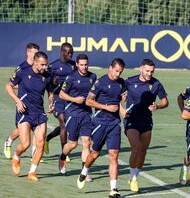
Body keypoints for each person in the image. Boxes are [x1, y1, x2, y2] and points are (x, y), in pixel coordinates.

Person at [76, 58, 126, 198]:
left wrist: (123, 102)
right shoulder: (100, 83)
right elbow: (89, 101)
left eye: (120, 72)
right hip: (99, 123)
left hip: (115, 124)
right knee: (95, 153)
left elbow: (121, 98)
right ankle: (85, 170)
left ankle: (113, 189)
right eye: (116, 71)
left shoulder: (121, 83)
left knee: (114, 156)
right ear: (110, 68)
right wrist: (106, 107)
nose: (118, 74)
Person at [5, 51, 54, 181]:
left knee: (40, 143)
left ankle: (32, 172)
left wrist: (51, 103)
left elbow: (50, 92)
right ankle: (16, 156)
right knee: (25, 144)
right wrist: (18, 101)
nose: (45, 67)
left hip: (39, 113)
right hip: (24, 112)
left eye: (46, 64)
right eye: (42, 64)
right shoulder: (23, 71)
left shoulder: (47, 76)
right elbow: (9, 86)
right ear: (35, 62)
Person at [124, 59, 168, 193]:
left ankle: (134, 177)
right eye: (147, 71)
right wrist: (122, 98)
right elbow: (117, 93)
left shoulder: (156, 84)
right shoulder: (129, 81)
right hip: (131, 120)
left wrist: (157, 106)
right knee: (136, 149)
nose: (149, 74)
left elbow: (165, 102)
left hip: (147, 122)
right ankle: (133, 177)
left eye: (152, 71)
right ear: (140, 69)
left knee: (143, 152)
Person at [58, 54, 97, 183]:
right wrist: (74, 99)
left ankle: (84, 172)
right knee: (73, 144)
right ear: (77, 65)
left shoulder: (93, 77)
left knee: (87, 143)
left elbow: (95, 94)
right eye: (81, 65)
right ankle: (63, 157)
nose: (84, 67)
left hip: (86, 114)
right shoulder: (71, 78)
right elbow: (62, 94)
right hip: (73, 114)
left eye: (86, 64)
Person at [3, 43, 40, 159]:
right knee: (21, 131)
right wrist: (18, 100)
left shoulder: (39, 67)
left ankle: (35, 152)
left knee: (37, 127)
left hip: (36, 104)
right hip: (23, 104)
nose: (37, 55)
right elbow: (10, 85)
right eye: (35, 53)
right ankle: (8, 142)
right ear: (28, 53)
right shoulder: (21, 68)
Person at [45, 42, 75, 158]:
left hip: (70, 99)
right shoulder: (52, 67)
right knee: (63, 123)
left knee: (66, 125)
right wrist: (53, 83)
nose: (70, 55)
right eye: (68, 53)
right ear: (62, 52)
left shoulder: (74, 65)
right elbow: (47, 86)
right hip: (58, 99)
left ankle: (48, 138)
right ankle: (64, 153)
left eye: (72, 53)